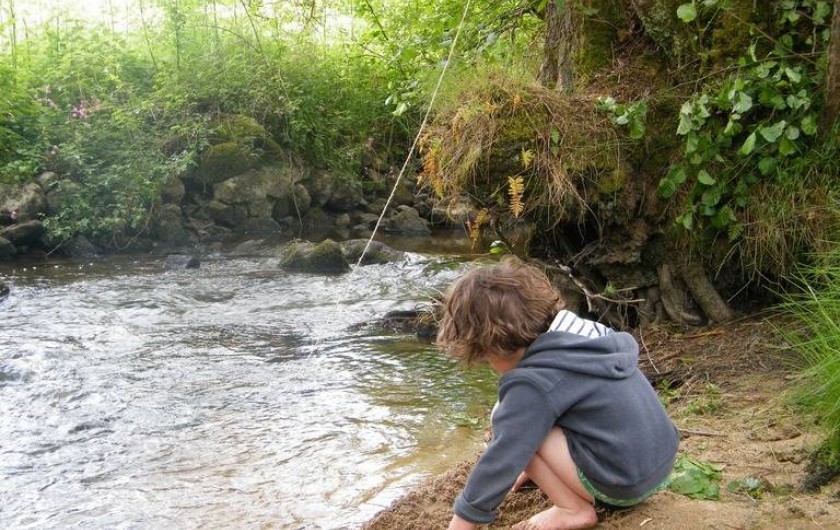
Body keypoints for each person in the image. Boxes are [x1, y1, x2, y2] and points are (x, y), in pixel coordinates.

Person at [435, 258, 679, 530]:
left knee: (506, 421)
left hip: (621, 484)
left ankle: (572, 509)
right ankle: (546, 471)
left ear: (496, 344)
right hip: (660, 463)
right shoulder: (583, 334)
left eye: (486, 357)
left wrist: (462, 521)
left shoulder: (533, 382)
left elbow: (502, 457)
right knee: (525, 418)